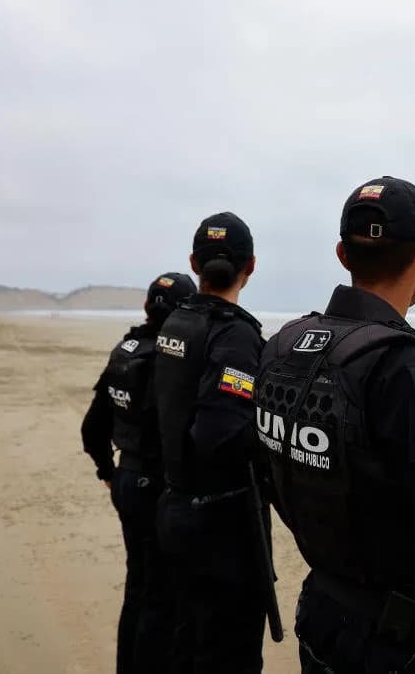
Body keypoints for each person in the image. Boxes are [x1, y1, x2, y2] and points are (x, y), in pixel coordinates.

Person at [255, 176, 415, 673]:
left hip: (322, 615)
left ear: (342, 254)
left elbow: (273, 472)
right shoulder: (411, 374)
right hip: (397, 644)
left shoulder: (283, 347)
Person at [152, 212, 273, 673]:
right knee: (228, 655)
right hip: (220, 524)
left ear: (193, 263)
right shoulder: (236, 334)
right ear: (252, 266)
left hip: (176, 505)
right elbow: (220, 434)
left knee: (186, 644)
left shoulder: (175, 322)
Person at [80, 271, 197, 674]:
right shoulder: (170, 359)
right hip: (155, 487)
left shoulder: (125, 349)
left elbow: (92, 427)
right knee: (160, 595)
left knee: (138, 586)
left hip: (127, 479)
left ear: (148, 306)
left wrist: (108, 472)